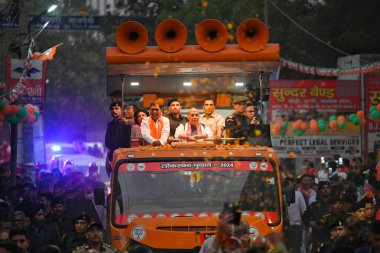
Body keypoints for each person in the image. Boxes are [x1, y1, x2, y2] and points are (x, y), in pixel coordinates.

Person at [105, 102, 132, 175]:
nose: (114, 111)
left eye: (116, 108)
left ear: (121, 110)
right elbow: (107, 142)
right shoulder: (110, 124)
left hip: (124, 154)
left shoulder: (126, 123)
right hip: (113, 154)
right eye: (112, 109)